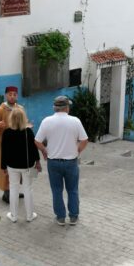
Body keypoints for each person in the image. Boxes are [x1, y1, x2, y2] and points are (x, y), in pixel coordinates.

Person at [35, 96, 88, 226]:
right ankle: (74, 216)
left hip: (53, 162)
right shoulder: (75, 121)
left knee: (57, 190)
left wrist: (44, 150)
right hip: (71, 162)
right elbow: (84, 140)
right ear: (67, 107)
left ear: (55, 107)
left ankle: (60, 217)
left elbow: (37, 141)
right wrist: (77, 151)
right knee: (73, 189)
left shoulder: (47, 121)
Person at [1, 107, 41, 222]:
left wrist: (3, 167)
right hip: (27, 166)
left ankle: (13, 216)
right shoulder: (28, 132)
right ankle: (29, 216)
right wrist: (37, 162)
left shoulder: (7, 133)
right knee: (28, 189)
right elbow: (34, 149)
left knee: (13, 189)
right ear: (24, 119)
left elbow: (4, 151)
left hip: (12, 166)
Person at [0, 86, 24, 203]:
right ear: (6, 95)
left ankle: (15, 190)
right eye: (10, 94)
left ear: (17, 96)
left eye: (14, 94)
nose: (12, 96)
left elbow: (24, 122)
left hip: (18, 145)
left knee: (18, 168)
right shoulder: (1, 109)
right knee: (6, 168)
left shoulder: (20, 109)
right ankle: (7, 192)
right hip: (4, 145)